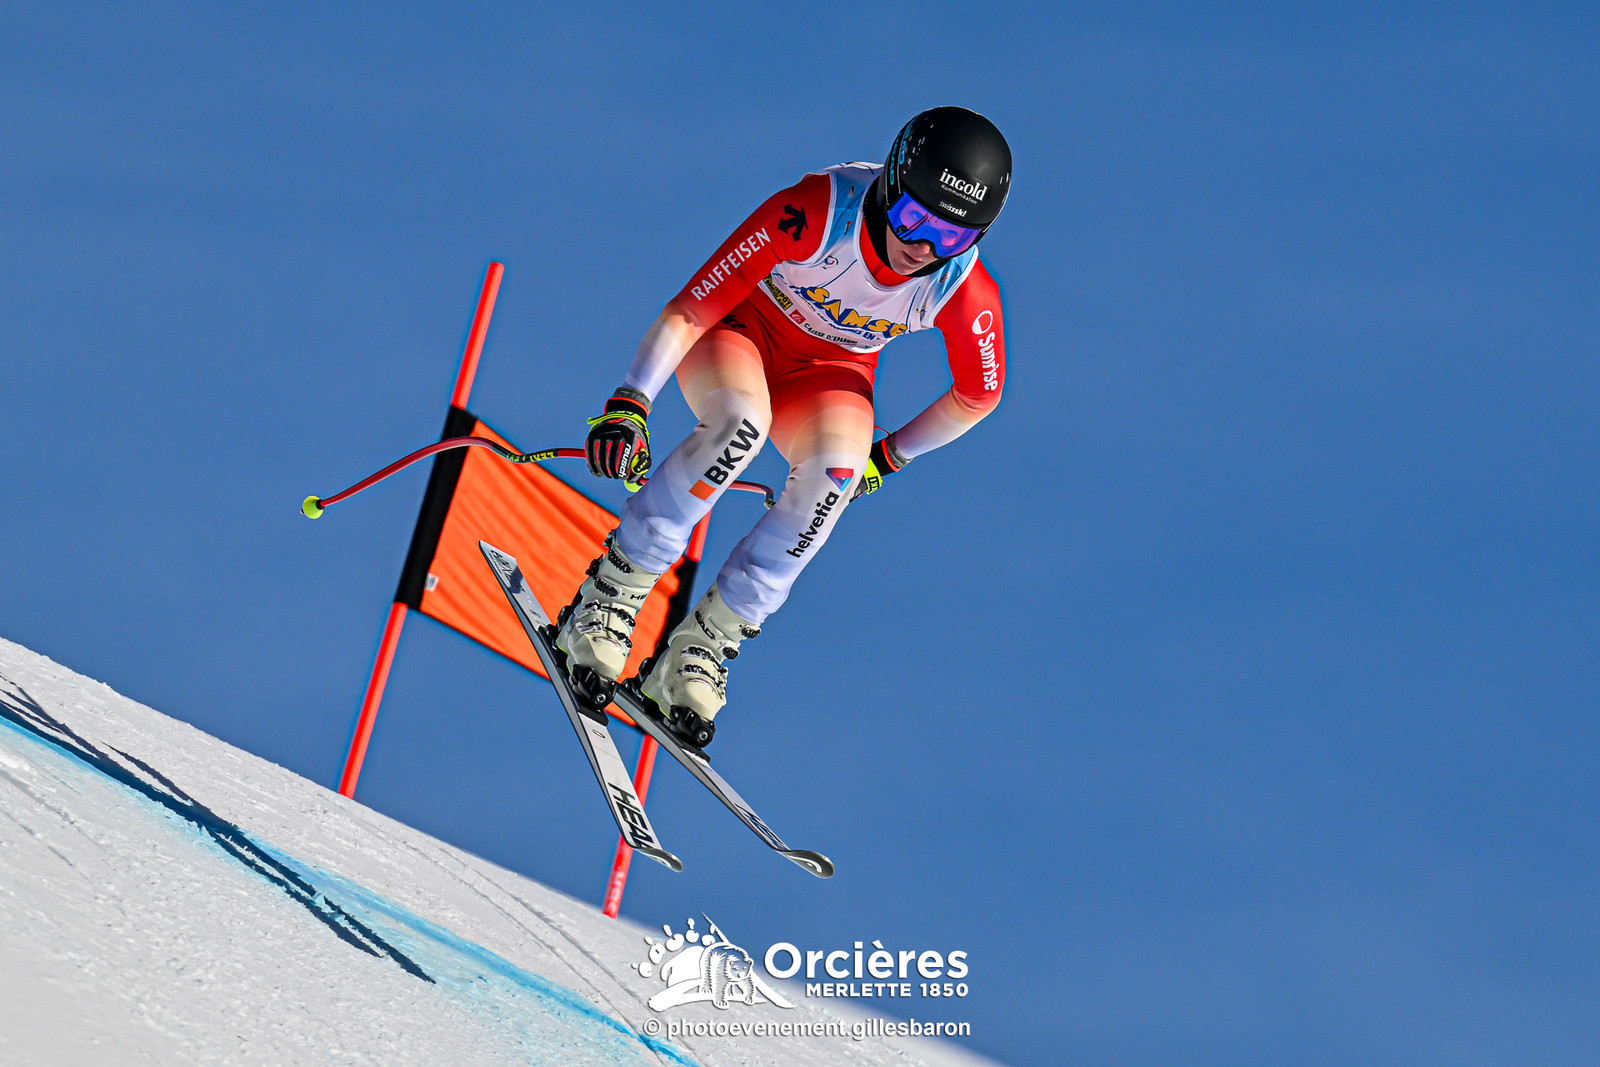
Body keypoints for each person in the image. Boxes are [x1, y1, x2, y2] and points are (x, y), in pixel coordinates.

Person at [556, 106, 1011, 751]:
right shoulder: (820, 212)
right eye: (914, 218)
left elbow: (978, 395)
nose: (923, 249)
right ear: (890, 184)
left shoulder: (961, 290)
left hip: (828, 371)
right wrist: (631, 402)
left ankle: (703, 646)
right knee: (739, 427)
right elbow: (695, 305)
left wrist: (890, 457)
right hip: (741, 330)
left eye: (951, 236)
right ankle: (612, 594)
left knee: (837, 476)